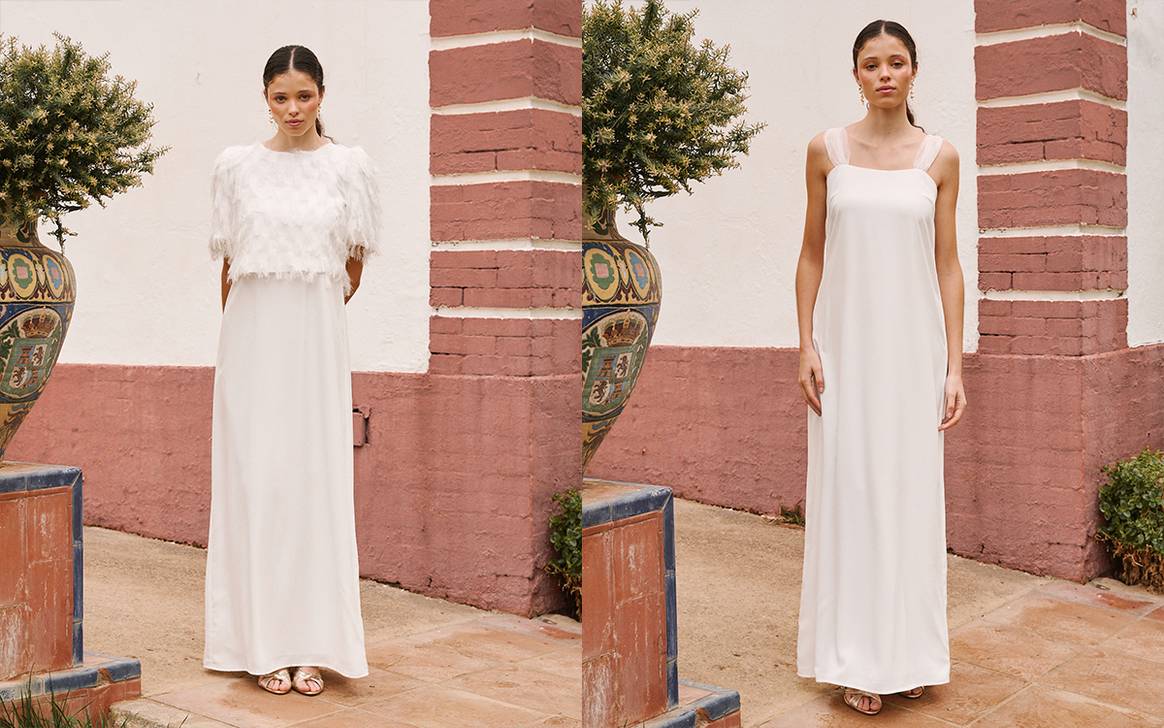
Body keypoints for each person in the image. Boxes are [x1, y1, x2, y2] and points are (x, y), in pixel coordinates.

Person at [793, 19, 967, 716]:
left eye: (897, 62)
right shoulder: (825, 151)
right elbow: (811, 253)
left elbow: (948, 266)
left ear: (915, 71)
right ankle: (857, 659)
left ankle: (911, 656)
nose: (885, 73)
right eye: (872, 64)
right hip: (847, 354)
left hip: (913, 355)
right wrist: (805, 343)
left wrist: (954, 366)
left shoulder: (941, 159)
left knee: (910, 499)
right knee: (854, 495)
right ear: (857, 75)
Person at [202, 44, 381, 697]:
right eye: (281, 97)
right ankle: (258, 645)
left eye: (304, 95)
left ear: (321, 95)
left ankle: (313, 646)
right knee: (259, 484)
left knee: (313, 485)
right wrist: (251, 338)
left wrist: (311, 319)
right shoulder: (237, 168)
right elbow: (227, 269)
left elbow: (353, 268)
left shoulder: (347, 168)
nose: (294, 108)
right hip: (252, 348)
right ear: (266, 98)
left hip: (315, 348)